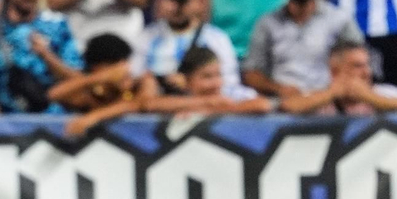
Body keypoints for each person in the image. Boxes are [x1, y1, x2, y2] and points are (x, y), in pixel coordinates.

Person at [242, 0, 367, 101]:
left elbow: (360, 63)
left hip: (330, 103)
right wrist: (279, 89)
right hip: (282, 105)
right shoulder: (267, 24)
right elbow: (251, 74)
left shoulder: (339, 20)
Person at [65, 43, 269, 135]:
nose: (215, 83)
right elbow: (143, 104)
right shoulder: (176, 98)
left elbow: (262, 105)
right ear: (186, 81)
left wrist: (218, 109)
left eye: (218, 75)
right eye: (207, 77)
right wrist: (92, 118)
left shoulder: (232, 93)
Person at [136, 0, 241, 95]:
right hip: (157, 106)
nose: (174, 7)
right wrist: (162, 80)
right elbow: (134, 78)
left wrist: (191, 85)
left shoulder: (216, 39)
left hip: (203, 108)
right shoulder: (147, 36)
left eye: (182, 1)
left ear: (199, 0)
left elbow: (230, 84)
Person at [273, 39, 397, 114]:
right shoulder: (319, 96)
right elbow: (287, 106)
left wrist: (369, 97)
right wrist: (332, 93)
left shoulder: (384, 92)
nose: (366, 72)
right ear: (335, 71)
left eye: (367, 65)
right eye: (357, 66)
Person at [49, 32, 158, 115]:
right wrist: (100, 78)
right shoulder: (91, 92)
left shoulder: (140, 83)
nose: (121, 70)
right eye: (113, 65)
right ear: (96, 67)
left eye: (124, 62)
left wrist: (93, 118)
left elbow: (139, 104)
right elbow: (54, 95)